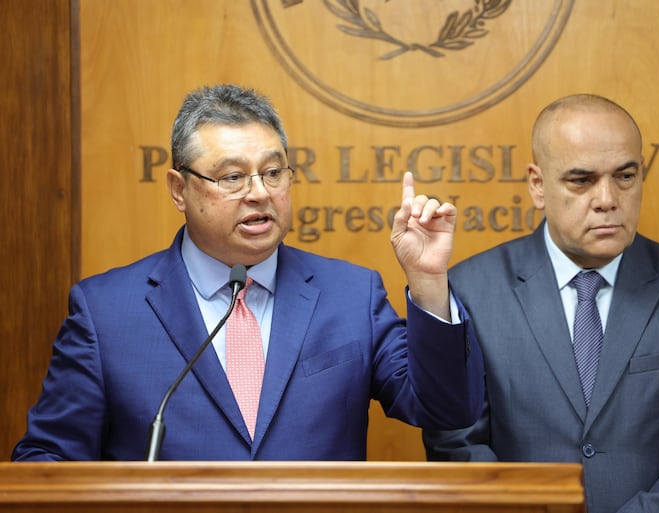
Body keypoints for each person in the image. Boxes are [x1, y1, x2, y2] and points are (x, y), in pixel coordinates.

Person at [13, 83, 484, 461]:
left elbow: (444, 408)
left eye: (273, 172)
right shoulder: (105, 311)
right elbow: (48, 458)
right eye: (233, 177)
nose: (258, 192)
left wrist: (427, 282)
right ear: (180, 190)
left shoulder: (350, 294)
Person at [422, 94, 659, 513]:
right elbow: (455, 441)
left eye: (625, 176)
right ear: (538, 185)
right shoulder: (470, 289)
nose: (607, 199)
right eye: (581, 180)